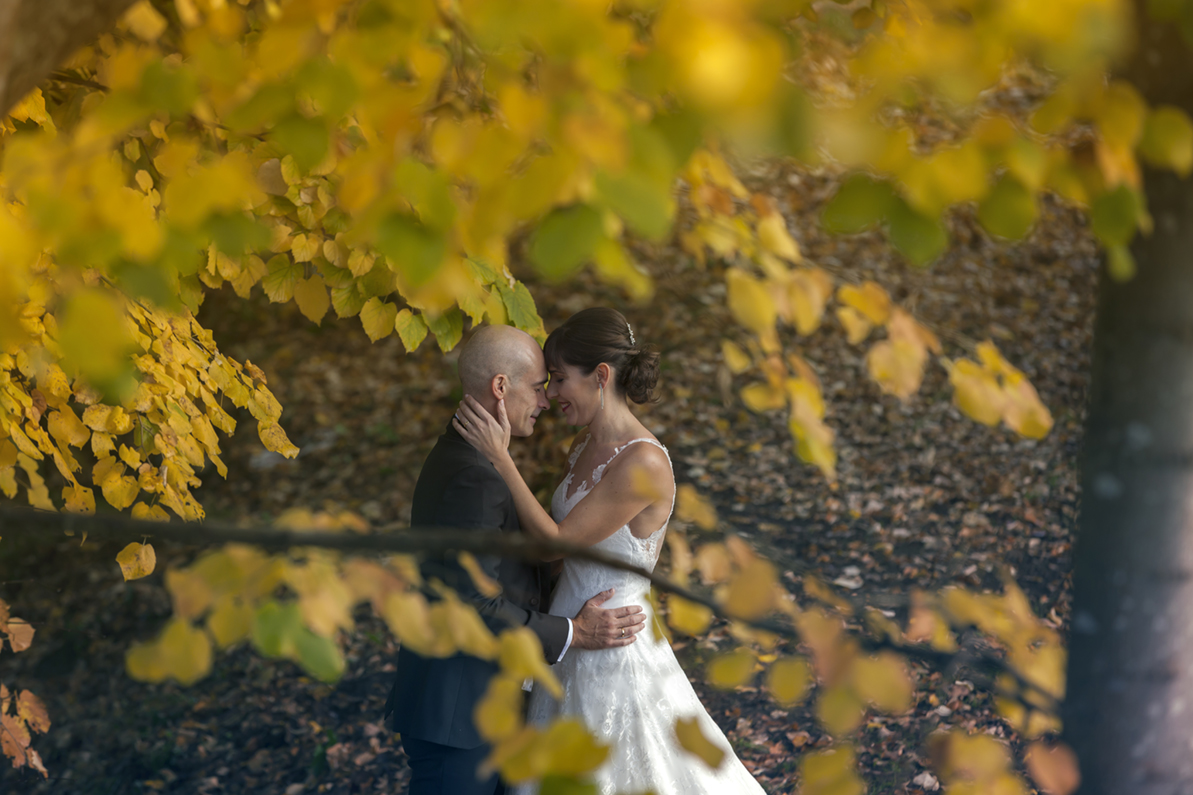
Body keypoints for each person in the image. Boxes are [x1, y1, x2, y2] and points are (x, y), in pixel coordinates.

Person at [454, 308, 767, 795]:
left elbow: (556, 539)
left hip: (614, 645)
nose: (551, 393)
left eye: (559, 379)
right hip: (572, 634)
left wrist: (500, 458)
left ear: (601, 376)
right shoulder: (582, 447)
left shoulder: (643, 462)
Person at [384, 324, 648, 795]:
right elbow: (474, 605)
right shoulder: (476, 475)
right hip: (459, 716)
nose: (546, 401)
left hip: (487, 705)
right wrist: (574, 632)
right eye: (537, 386)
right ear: (501, 388)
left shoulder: (472, 459)